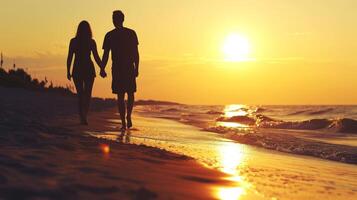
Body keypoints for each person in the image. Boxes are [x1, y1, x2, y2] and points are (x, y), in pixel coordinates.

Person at [101, 10, 139, 131]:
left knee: (121, 95)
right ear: (123, 19)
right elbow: (136, 53)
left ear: (114, 20)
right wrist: (137, 67)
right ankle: (128, 116)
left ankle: (123, 121)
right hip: (128, 67)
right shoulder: (131, 33)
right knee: (130, 93)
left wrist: (102, 68)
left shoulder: (110, 35)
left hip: (118, 67)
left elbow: (106, 55)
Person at [67, 20, 102, 125]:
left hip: (77, 68)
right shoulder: (91, 41)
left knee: (81, 95)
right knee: (87, 94)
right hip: (88, 68)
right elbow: (96, 57)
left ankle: (82, 116)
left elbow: (70, 57)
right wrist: (102, 68)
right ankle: (84, 116)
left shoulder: (74, 41)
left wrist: (68, 71)